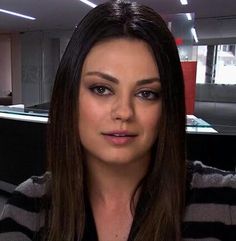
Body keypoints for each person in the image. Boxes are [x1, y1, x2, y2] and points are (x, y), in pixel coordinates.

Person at [0, 1, 236, 240]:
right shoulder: (28, 208)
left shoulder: (224, 200)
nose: (124, 112)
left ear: (168, 106)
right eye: (101, 89)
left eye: (146, 93)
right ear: (69, 96)